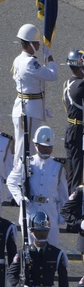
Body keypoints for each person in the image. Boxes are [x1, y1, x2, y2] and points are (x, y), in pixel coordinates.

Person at [6, 126, 68, 248]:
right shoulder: (26, 162)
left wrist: (62, 214)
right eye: (44, 146)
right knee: (30, 248)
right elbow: (11, 181)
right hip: (31, 209)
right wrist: (20, 198)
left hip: (50, 210)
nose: (47, 149)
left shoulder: (58, 166)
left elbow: (63, 193)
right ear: (36, 145)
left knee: (52, 247)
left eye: (49, 146)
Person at [11, 23, 58, 166]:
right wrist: (50, 57)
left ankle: (20, 174)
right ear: (30, 43)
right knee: (27, 148)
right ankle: (20, 177)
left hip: (28, 106)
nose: (39, 45)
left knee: (23, 146)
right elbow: (52, 75)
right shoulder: (30, 63)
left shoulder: (19, 59)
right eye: (37, 42)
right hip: (29, 110)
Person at [63, 49, 84, 191]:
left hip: (71, 128)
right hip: (79, 131)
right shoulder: (80, 85)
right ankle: (74, 207)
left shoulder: (69, 82)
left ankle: (70, 204)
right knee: (77, 173)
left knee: (72, 173)